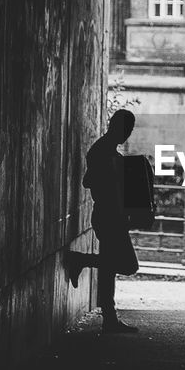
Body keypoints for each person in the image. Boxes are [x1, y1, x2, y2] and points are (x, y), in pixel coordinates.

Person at [63, 109, 141, 333]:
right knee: (128, 265)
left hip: (111, 217)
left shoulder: (108, 151)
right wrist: (113, 176)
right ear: (114, 126)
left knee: (108, 268)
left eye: (130, 130)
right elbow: (88, 181)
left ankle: (109, 318)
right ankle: (80, 260)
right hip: (108, 217)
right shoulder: (102, 151)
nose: (126, 134)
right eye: (125, 129)